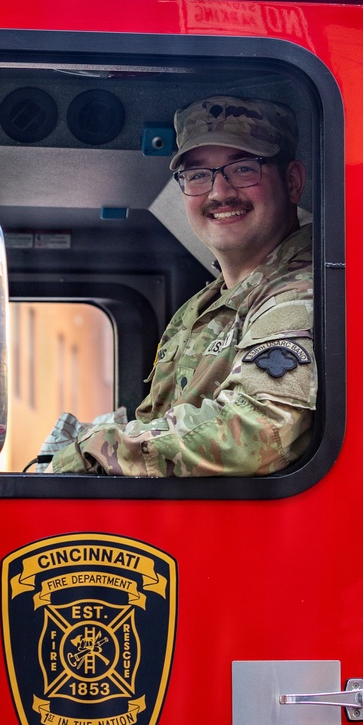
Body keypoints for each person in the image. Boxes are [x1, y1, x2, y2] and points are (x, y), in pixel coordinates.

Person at [40, 94, 315, 476]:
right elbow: (161, 422)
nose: (219, 193)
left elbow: (255, 433)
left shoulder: (302, 291)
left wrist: (95, 452)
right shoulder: (202, 305)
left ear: (292, 182)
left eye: (243, 168)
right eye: (198, 175)